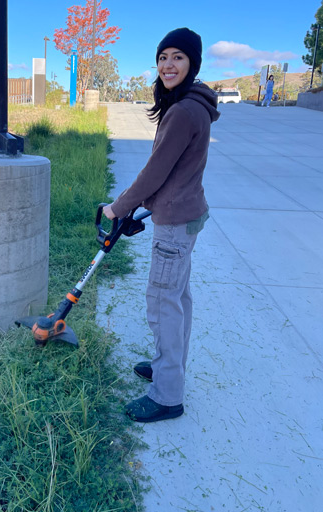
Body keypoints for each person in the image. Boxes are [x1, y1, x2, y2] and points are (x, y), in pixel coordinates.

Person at [103, 28, 220, 423]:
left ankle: (167, 395)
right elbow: (172, 172)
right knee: (178, 299)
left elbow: (155, 172)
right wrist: (144, 206)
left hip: (175, 223)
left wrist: (119, 207)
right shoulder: (192, 104)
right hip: (186, 213)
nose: (168, 65)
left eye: (178, 58)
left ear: (193, 64)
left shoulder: (183, 110)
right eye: (163, 57)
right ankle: (168, 367)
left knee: (162, 304)